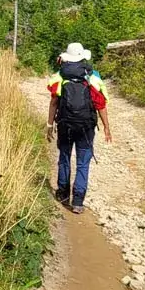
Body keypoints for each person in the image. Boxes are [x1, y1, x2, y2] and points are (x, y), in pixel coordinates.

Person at [46, 42, 112, 214]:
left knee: (65, 157)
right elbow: (101, 104)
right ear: (83, 57)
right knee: (83, 163)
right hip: (86, 126)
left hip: (65, 124)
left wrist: (49, 124)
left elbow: (54, 102)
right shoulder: (93, 77)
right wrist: (106, 127)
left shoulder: (60, 76)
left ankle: (62, 194)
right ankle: (77, 202)